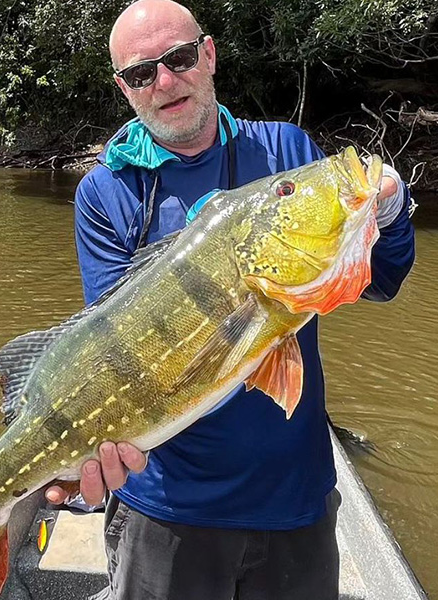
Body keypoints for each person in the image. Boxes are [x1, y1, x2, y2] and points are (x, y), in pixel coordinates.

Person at [47, 1, 415, 598]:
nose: (165, 81)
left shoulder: (286, 154)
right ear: (124, 89)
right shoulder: (106, 193)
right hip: (166, 509)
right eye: (142, 73)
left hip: (296, 498)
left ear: (209, 55)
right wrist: (76, 456)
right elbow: (113, 358)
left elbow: (383, 277)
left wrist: (391, 214)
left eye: (180, 58)